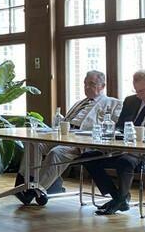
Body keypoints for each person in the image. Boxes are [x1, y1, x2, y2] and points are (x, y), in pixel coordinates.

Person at [82, 70, 145, 215]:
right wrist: (117, 134)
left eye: (142, 91)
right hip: (125, 146)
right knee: (88, 157)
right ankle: (118, 197)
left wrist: (143, 136)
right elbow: (120, 126)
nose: (138, 95)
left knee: (125, 161)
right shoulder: (131, 101)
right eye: (136, 91)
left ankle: (120, 199)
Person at [16, 70, 122, 204]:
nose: (87, 87)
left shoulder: (113, 103)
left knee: (57, 153)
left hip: (82, 141)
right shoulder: (79, 103)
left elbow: (116, 129)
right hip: (63, 135)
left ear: (102, 86)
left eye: (91, 84)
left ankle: (35, 190)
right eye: (85, 84)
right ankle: (26, 182)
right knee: (33, 143)